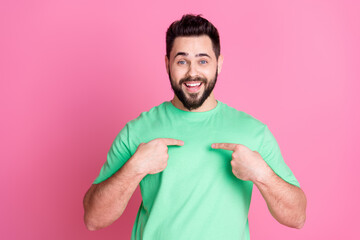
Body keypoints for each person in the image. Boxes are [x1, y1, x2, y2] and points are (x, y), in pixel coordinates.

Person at [83, 14, 307, 239]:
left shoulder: (253, 132)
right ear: (167, 64)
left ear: (218, 64)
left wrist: (262, 174)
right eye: (182, 61)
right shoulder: (137, 131)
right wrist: (135, 168)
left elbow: (297, 217)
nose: (192, 72)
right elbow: (93, 219)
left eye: (203, 61)